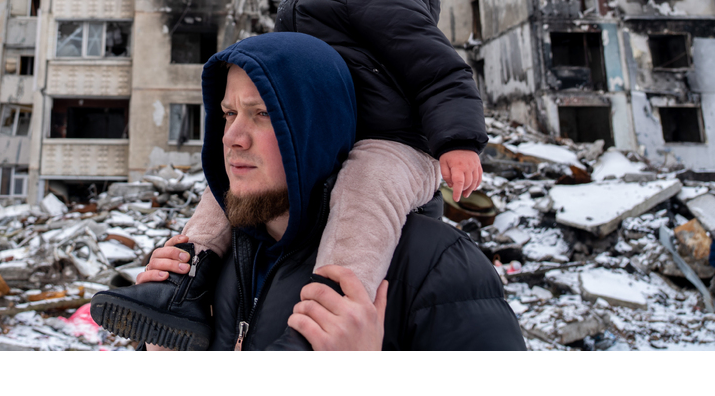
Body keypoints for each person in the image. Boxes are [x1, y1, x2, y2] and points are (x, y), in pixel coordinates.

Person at [90, 0, 488, 349]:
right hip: (327, 144)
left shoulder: (383, 1)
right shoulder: (297, 15)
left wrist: (456, 141)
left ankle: (330, 312)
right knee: (232, 184)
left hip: (395, 147)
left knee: (364, 184)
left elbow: (440, 73)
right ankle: (183, 282)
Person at [90, 33, 525, 350]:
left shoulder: (437, 264)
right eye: (228, 114)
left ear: (316, 131)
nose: (233, 137)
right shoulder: (217, 264)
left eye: (262, 114)